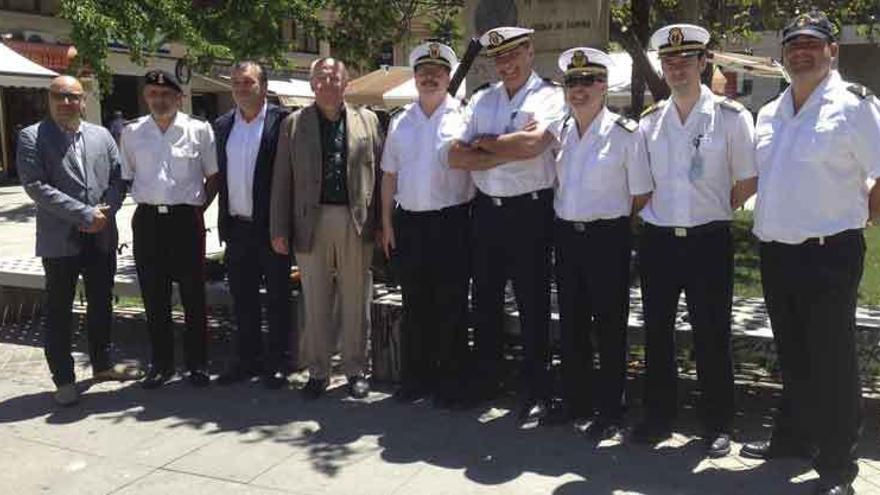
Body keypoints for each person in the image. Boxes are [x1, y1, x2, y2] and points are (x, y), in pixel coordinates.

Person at [740, 11, 880, 495]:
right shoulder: (771, 111)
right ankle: (793, 439)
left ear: (832, 51)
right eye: (793, 44)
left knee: (833, 363)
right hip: (778, 252)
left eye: (812, 43)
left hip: (829, 253)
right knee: (793, 354)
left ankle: (839, 467)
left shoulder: (855, 105)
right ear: (783, 54)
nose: (802, 51)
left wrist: (866, 214)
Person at [632, 24, 757, 457]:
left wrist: (712, 208)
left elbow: (746, 181)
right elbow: (642, 184)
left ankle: (718, 423)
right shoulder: (649, 122)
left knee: (711, 333)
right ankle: (658, 415)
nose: (678, 67)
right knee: (658, 332)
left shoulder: (731, 117)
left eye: (687, 59)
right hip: (659, 241)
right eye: (670, 60)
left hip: (708, 240)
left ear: (704, 62)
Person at [448, 26, 565, 423]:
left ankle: (536, 390)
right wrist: (506, 146)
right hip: (486, 213)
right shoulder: (483, 99)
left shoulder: (550, 96)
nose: (506, 65)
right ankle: (487, 382)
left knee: (532, 304)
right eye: (499, 58)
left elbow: (534, 146)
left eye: (513, 55)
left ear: (530, 52)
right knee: (485, 301)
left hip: (529, 213)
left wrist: (485, 142)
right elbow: (455, 156)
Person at [549, 48, 652, 436]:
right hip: (567, 236)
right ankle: (575, 401)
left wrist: (610, 224)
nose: (578, 90)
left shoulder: (626, 134)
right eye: (571, 83)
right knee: (572, 324)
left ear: (604, 86)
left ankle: (611, 408)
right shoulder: (561, 132)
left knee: (609, 327)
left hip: (607, 238)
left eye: (587, 82)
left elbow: (640, 194)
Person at [17, 75, 136, 406]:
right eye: (59, 97)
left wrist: (104, 213)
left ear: (83, 100)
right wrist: (85, 215)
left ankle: (101, 364)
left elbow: (118, 178)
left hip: (101, 237)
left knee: (101, 302)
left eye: (73, 97)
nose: (66, 103)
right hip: (60, 240)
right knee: (58, 310)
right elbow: (35, 185)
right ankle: (64, 379)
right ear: (49, 100)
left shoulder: (102, 135)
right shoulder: (32, 137)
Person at [270, 57, 383, 399]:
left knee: (355, 299)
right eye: (321, 78)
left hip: (355, 219)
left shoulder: (369, 121)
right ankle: (318, 371)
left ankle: (355, 369)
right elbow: (281, 181)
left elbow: (379, 178)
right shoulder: (293, 124)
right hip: (311, 221)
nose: (328, 83)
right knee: (315, 299)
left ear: (346, 83)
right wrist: (279, 227)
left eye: (334, 78)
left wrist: (380, 223)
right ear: (312, 84)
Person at [380, 42, 473, 406]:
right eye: (423, 72)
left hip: (452, 222)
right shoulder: (400, 120)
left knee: (451, 304)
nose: (429, 77)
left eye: (437, 72)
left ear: (448, 77)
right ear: (415, 77)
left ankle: (450, 383)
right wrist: (386, 224)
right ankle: (415, 379)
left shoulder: (466, 116)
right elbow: (389, 175)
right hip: (411, 224)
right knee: (415, 304)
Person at [119, 69, 219, 389]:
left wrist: (197, 208)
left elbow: (213, 176)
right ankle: (161, 364)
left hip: (186, 222)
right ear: (146, 96)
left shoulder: (199, 130)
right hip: (147, 221)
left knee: (193, 296)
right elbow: (127, 174)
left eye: (165, 95)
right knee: (154, 296)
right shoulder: (132, 132)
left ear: (179, 97)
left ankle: (197, 364)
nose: (159, 100)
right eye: (152, 94)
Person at [212, 61, 292, 389]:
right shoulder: (222, 124)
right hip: (237, 227)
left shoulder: (282, 122)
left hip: (272, 228)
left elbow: (292, 177)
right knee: (242, 298)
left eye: (247, 82)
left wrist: (284, 227)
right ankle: (245, 359)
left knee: (277, 298)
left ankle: (276, 363)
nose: (241, 88)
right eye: (235, 82)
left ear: (263, 86)